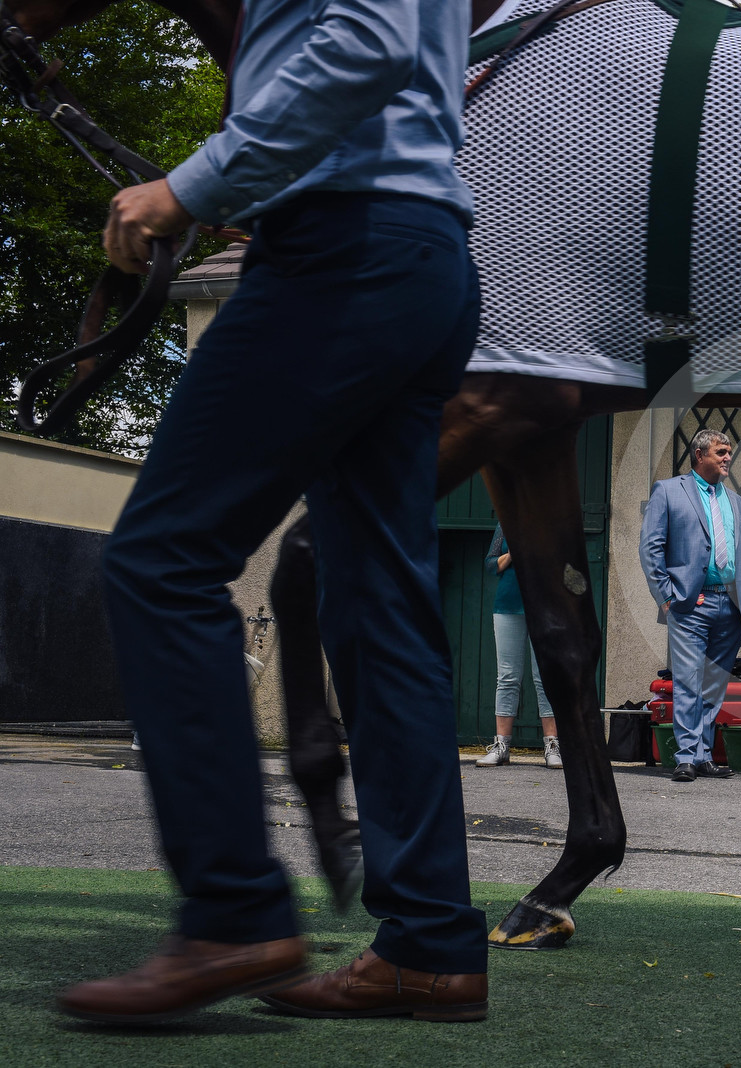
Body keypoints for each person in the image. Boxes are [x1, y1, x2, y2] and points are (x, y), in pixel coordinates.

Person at [57, 2, 488, 1024]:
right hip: (422, 250)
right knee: (382, 609)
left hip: (338, 254)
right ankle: (429, 945)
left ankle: (233, 911)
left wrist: (187, 187)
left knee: (161, 560)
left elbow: (368, 41)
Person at [639, 429, 741, 782]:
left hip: (731, 605)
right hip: (690, 603)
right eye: (721, 452)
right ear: (699, 454)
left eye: (729, 452)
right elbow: (651, 547)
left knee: (714, 684)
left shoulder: (737, 502)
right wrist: (666, 597)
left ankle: (704, 754)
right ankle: (685, 757)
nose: (728, 458)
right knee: (689, 680)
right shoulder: (668, 490)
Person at [477, 524, 561, 768]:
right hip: (507, 606)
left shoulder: (554, 521)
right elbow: (491, 564)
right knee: (507, 676)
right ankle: (501, 745)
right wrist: (512, 554)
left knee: (545, 676)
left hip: (545, 608)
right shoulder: (506, 524)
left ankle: (552, 745)